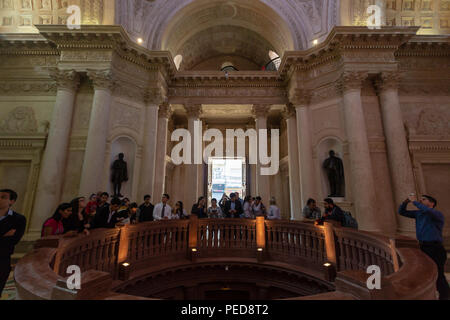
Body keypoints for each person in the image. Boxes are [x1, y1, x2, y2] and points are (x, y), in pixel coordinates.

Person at [399, 194, 449, 300]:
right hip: (423, 247)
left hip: (435, 248)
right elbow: (401, 212)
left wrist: (415, 202)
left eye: (424, 199)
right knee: (425, 273)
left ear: (431, 203)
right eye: (420, 199)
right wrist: (406, 202)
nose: (421, 200)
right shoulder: (419, 214)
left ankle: (445, 296)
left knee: (438, 274)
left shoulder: (436, 214)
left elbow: (428, 211)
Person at [0, 189, 26, 296]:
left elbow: (14, 240)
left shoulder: (18, 219)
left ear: (12, 201)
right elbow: (7, 240)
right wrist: (4, 235)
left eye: (3, 197)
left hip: (3, 258)